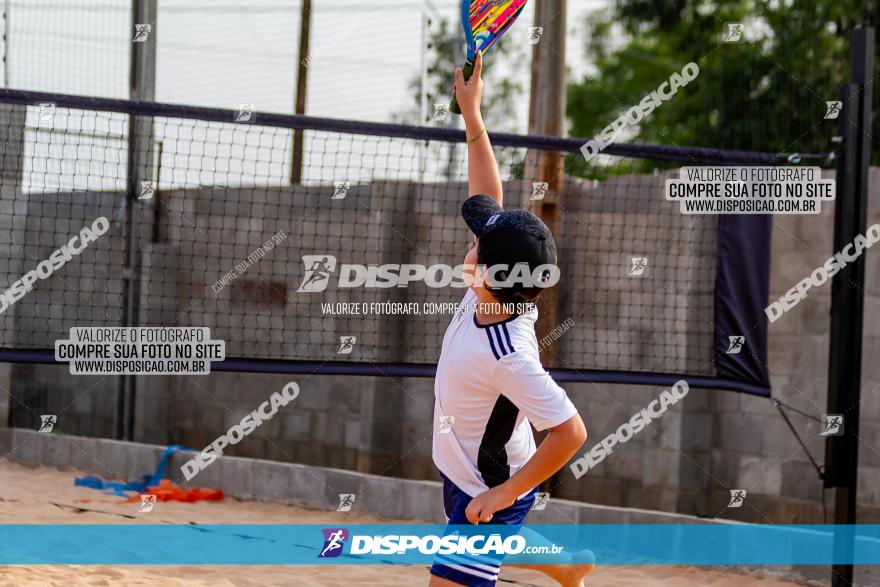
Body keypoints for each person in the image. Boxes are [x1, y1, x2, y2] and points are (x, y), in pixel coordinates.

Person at [429, 51, 595, 587]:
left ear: (496, 273)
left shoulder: (509, 353)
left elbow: (571, 431)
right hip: (462, 471)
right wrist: (473, 116)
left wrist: (506, 493)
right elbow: (488, 194)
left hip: (491, 487)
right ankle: (568, 565)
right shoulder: (485, 294)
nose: (469, 244)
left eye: (477, 244)